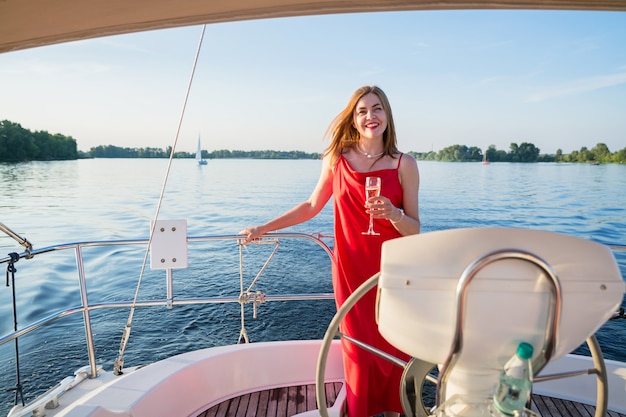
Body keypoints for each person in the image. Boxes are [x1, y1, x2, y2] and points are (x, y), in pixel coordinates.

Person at [240, 85, 421, 417]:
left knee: (394, 349)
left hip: (393, 271)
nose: (371, 116)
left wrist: (394, 214)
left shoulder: (404, 164)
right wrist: (264, 227)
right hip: (351, 269)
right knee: (360, 353)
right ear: (353, 118)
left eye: (377, 108)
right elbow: (311, 205)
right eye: (363, 110)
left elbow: (414, 228)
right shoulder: (336, 158)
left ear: (387, 115)